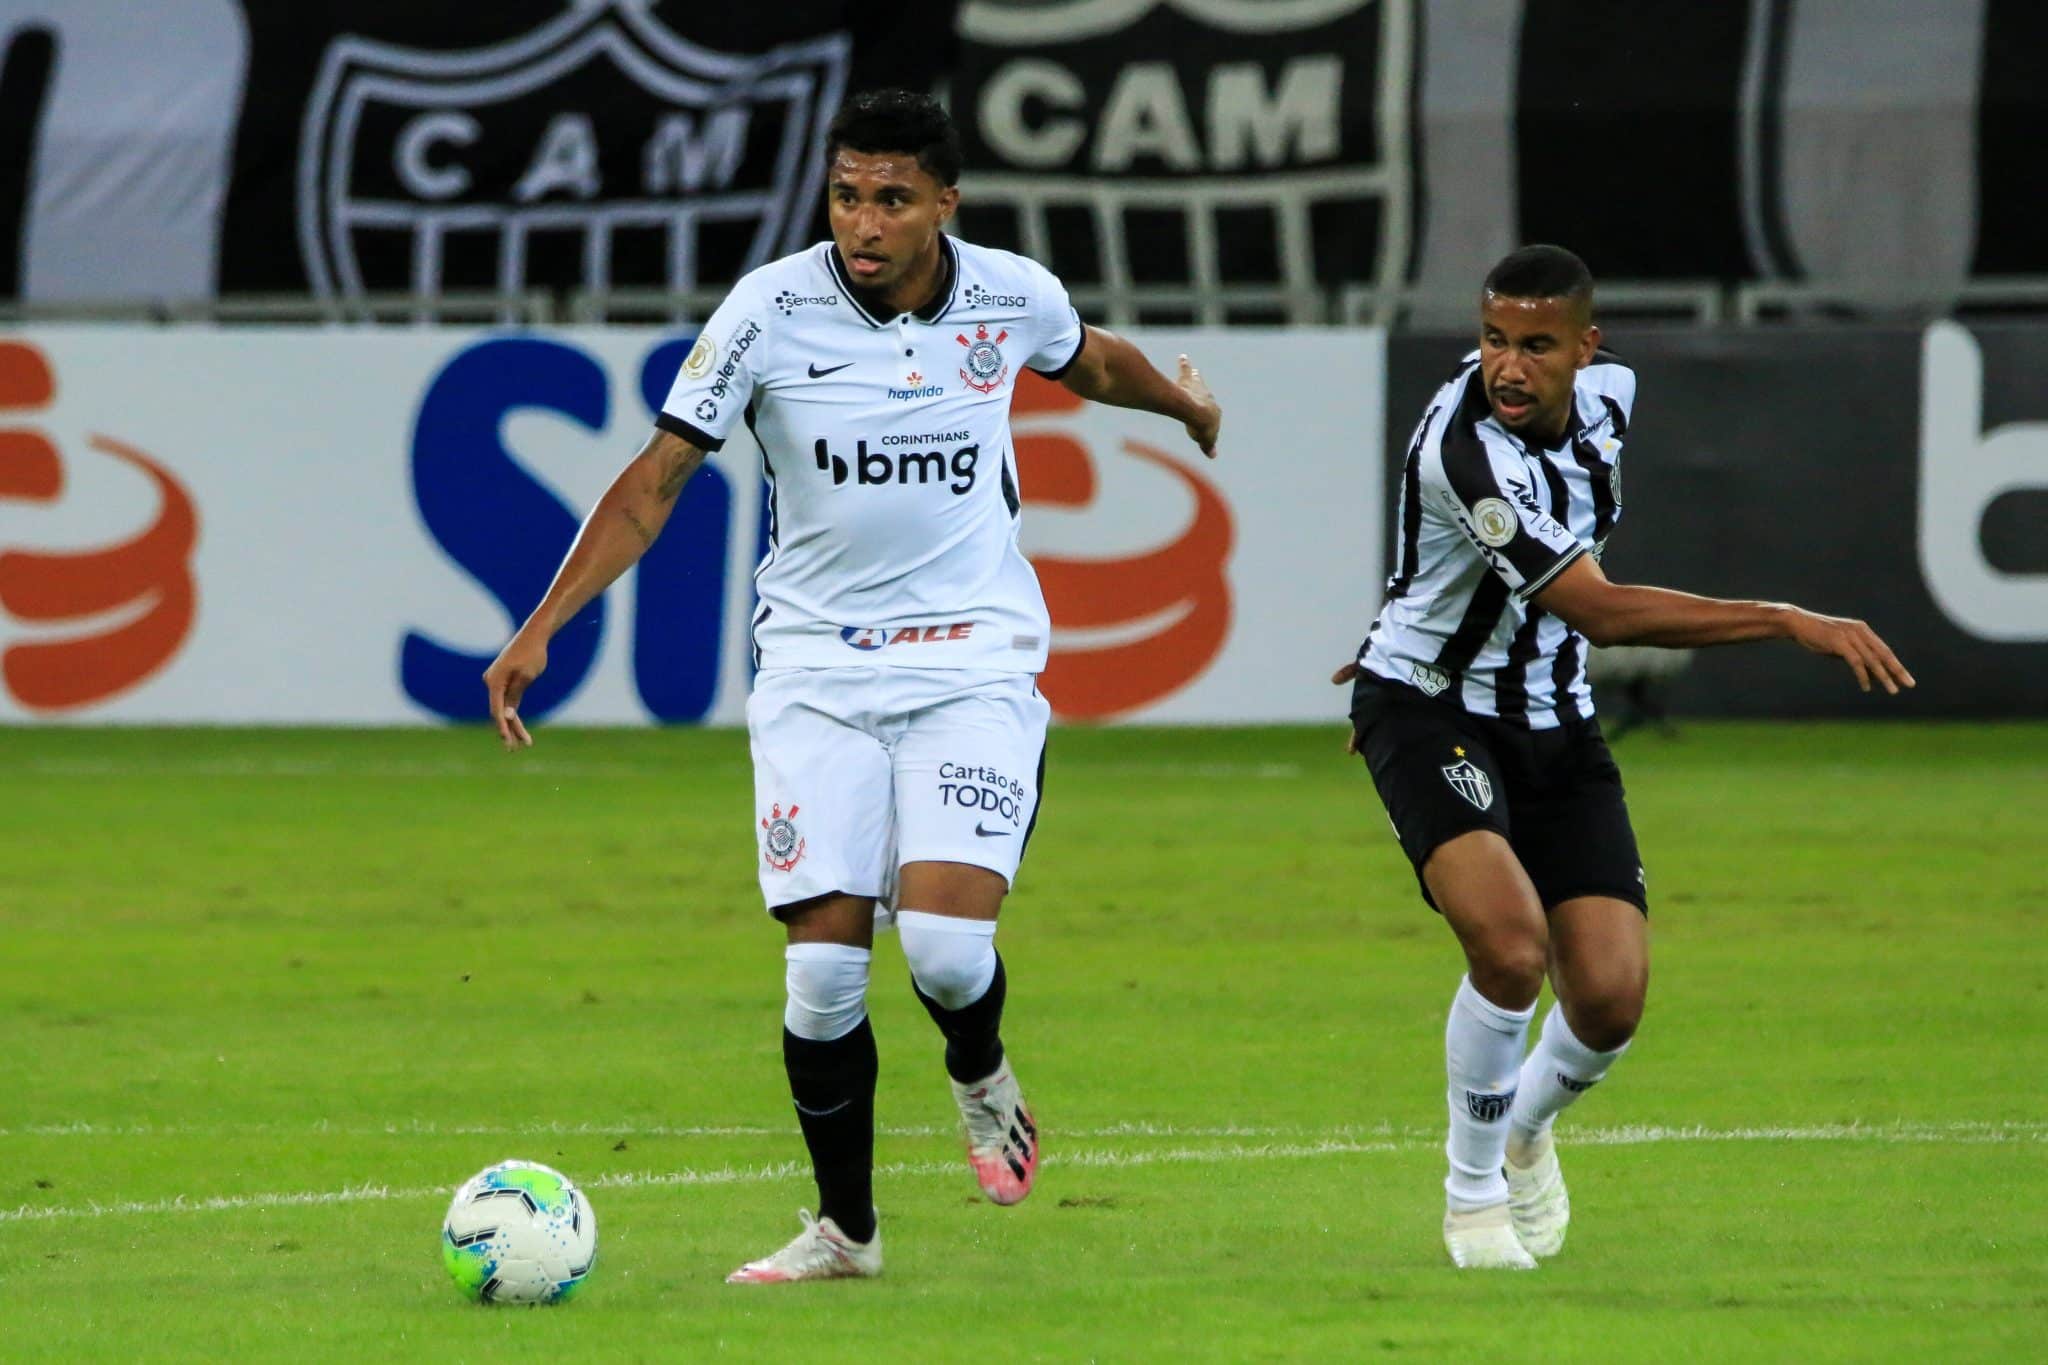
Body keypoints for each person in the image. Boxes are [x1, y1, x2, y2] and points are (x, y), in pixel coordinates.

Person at [482, 89, 1222, 1284]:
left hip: (971, 660)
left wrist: (1181, 404)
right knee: (823, 975)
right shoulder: (766, 311)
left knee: (943, 952)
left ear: (943, 203)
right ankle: (845, 1232)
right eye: (844, 196)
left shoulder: (1007, 294)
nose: (862, 223)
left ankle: (978, 1069)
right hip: (816, 671)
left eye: (890, 199)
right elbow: (657, 478)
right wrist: (542, 625)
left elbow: (1088, 358)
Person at [1333, 244, 1912, 1270]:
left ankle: (1523, 1131)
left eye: (1536, 345)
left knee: (1607, 999)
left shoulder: (1612, 399)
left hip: (1554, 716)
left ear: (1585, 349)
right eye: (1492, 340)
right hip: (1427, 707)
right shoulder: (1465, 451)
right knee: (1511, 948)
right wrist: (1784, 618)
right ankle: (1472, 1199)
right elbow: (1597, 610)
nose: (1508, 366)